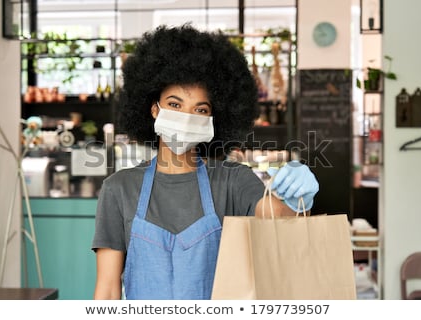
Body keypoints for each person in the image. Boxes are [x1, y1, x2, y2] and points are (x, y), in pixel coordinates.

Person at [92, 24, 319, 300]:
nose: (187, 117)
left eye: (200, 109)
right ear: (154, 109)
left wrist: (296, 200)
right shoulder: (119, 189)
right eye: (175, 105)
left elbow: (278, 217)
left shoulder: (233, 180)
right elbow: (107, 289)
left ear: (213, 120)